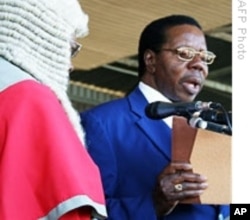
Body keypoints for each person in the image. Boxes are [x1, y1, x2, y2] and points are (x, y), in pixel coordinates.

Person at [80, 15, 230, 219]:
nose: (198, 64)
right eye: (186, 53)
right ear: (151, 60)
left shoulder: (215, 127)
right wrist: (155, 202)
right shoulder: (101, 123)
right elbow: (86, 214)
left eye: (204, 57)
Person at [0, 0, 107, 219]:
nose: (70, 65)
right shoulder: (29, 98)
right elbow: (65, 206)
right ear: (43, 35)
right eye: (70, 48)